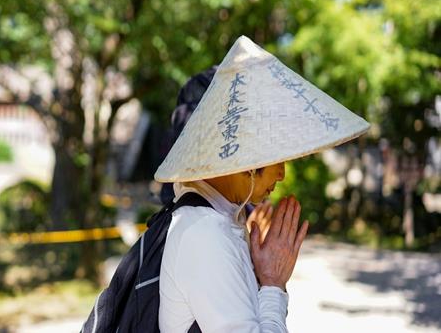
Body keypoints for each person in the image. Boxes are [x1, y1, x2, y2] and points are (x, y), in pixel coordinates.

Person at [155, 35, 370, 332]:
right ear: (245, 163)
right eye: (277, 160)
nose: (281, 175)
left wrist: (259, 275)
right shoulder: (205, 234)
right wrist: (272, 283)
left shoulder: (222, 219)